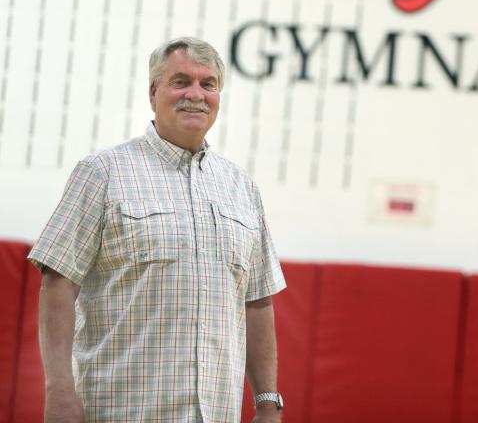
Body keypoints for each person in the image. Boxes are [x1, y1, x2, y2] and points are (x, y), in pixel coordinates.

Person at [28, 37, 286, 422]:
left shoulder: (241, 187)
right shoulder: (103, 172)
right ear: (154, 93)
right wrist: (60, 390)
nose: (195, 94)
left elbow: (257, 302)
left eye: (208, 84)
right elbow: (57, 284)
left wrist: (267, 403)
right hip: (119, 411)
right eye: (181, 81)